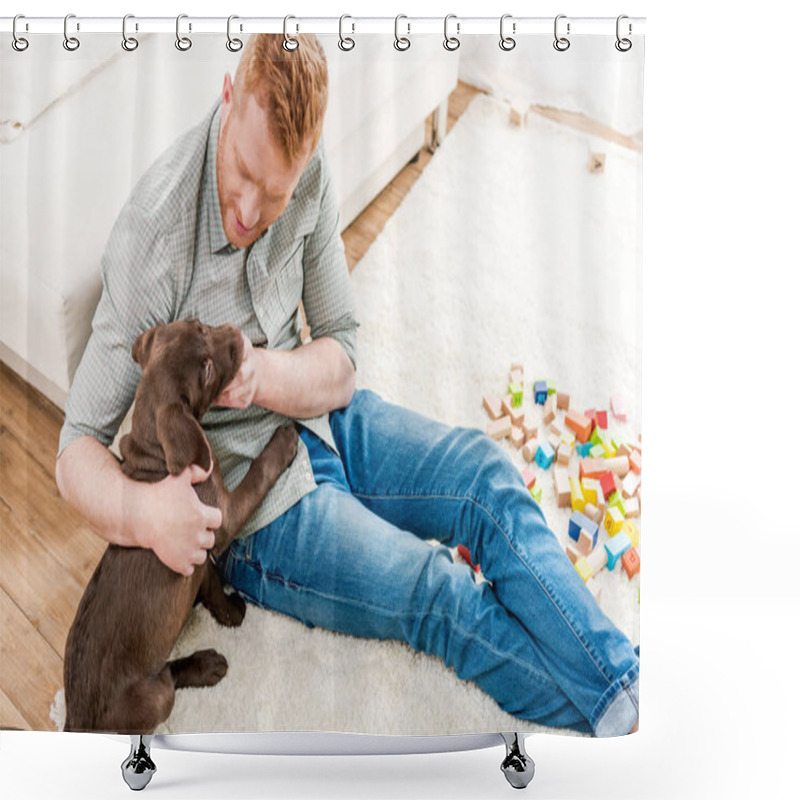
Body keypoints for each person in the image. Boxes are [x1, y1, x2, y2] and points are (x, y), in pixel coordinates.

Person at [55, 34, 639, 737]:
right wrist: (145, 516)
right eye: (243, 172)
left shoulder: (307, 174)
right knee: (439, 595)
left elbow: (341, 349)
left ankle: (622, 693)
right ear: (228, 96)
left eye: (276, 193)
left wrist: (269, 374)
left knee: (486, 476)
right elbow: (75, 447)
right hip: (256, 512)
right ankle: (627, 722)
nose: (249, 208)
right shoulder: (153, 239)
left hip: (317, 418)